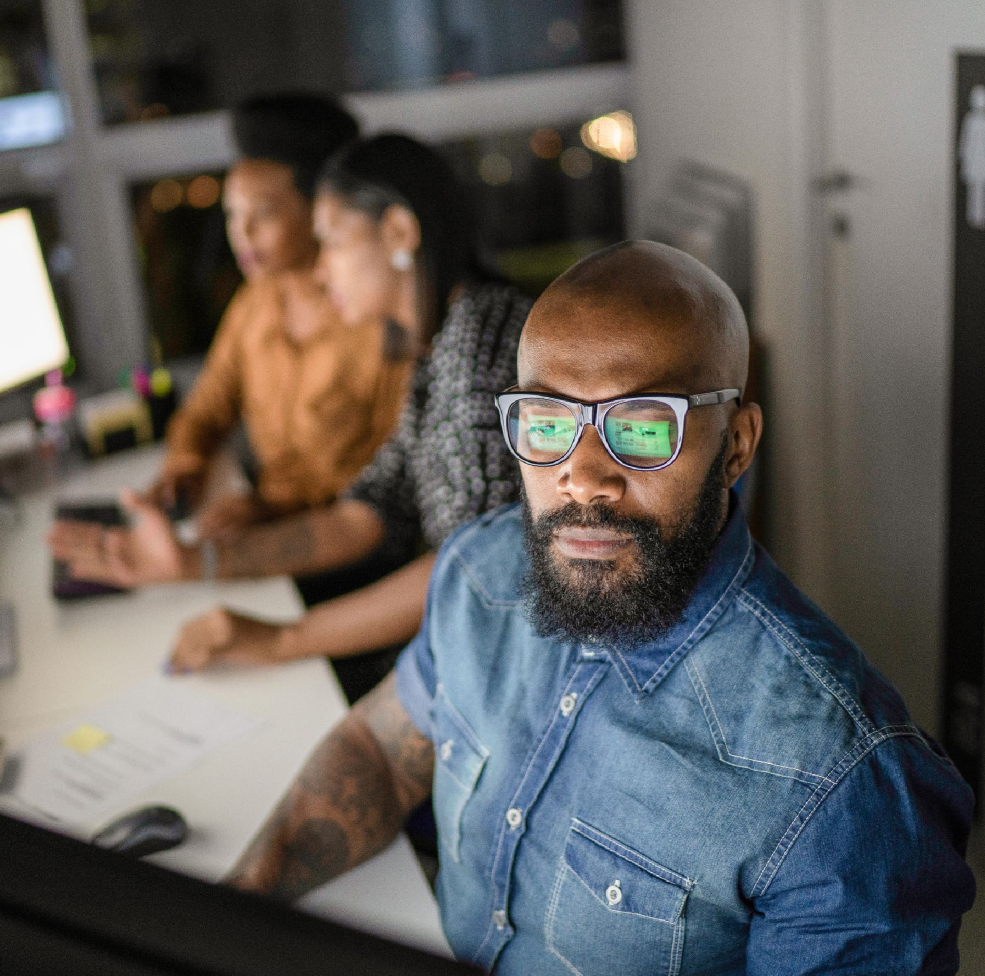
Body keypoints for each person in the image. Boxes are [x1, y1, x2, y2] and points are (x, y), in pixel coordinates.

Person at [221, 241, 976, 974]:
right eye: (547, 424)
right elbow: (382, 755)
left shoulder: (843, 781)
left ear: (737, 445)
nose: (582, 477)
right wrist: (230, 909)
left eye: (642, 427)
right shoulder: (479, 572)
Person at [48, 134, 532, 701]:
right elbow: (367, 513)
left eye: (332, 244)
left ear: (400, 233)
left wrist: (283, 638)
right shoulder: (434, 343)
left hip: (495, 669)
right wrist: (193, 561)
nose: (320, 273)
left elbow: (471, 575)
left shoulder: (481, 346)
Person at [118, 94, 411, 538]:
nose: (242, 233)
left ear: (321, 211)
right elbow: (205, 409)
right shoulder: (256, 300)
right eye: (233, 215)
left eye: (264, 213)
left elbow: (390, 483)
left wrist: (276, 509)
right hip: (262, 520)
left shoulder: (377, 318)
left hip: (339, 540)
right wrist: (186, 465)